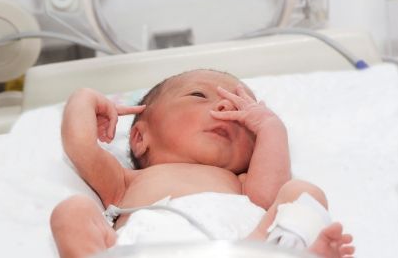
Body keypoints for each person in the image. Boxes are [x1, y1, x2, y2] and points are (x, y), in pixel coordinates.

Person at [50, 69, 354, 258]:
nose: (225, 106)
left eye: (242, 107)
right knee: (72, 211)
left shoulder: (241, 184)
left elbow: (269, 197)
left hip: (246, 247)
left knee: (303, 193)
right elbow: (79, 143)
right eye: (198, 95)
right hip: (145, 250)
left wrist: (271, 128)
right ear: (140, 138)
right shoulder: (125, 181)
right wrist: (85, 97)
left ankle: (285, 253)